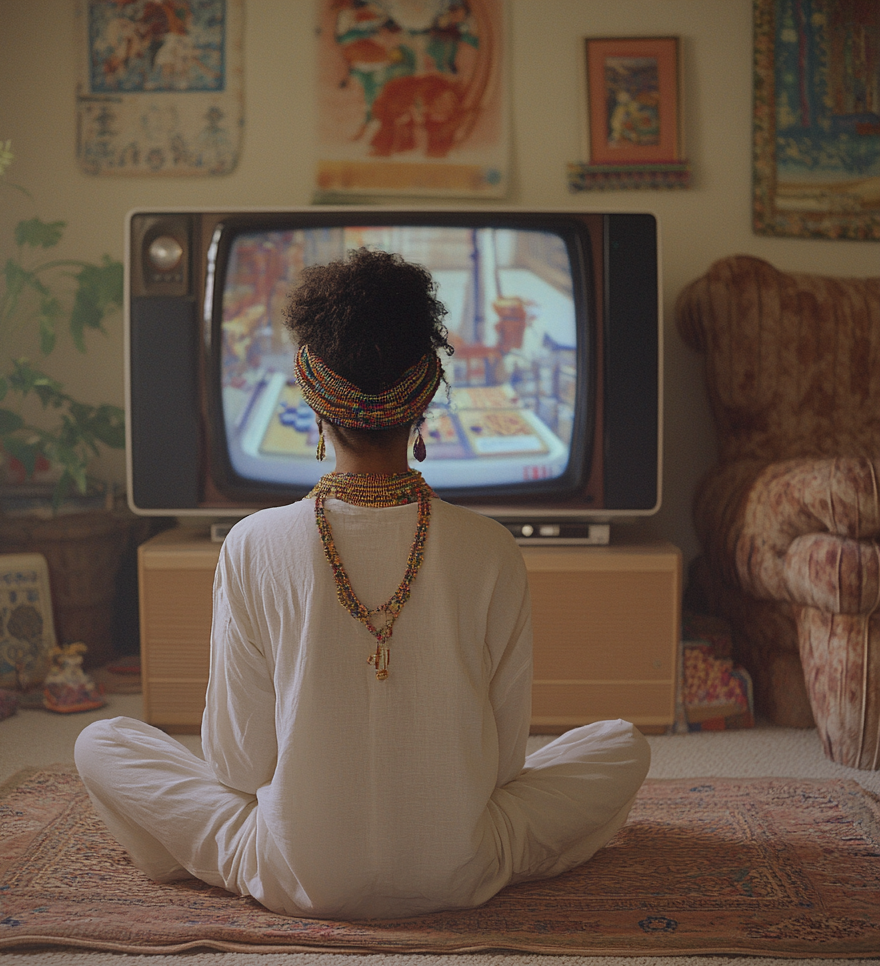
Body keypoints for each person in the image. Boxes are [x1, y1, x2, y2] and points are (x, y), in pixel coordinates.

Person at [75, 247, 650, 920]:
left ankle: (185, 853)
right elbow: (501, 772)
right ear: (429, 392)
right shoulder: (492, 549)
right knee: (622, 745)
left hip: (293, 869)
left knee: (102, 743)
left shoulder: (252, 544)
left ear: (310, 395)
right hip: (463, 862)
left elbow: (236, 766)